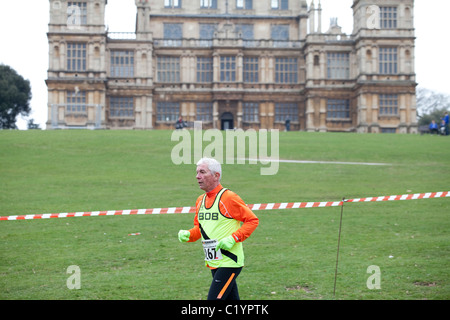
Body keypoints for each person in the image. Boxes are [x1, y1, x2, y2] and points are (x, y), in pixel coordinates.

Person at [178, 157, 259, 300]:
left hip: (230, 262)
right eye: (197, 172)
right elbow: (200, 229)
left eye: (202, 172)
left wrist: (233, 238)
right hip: (214, 262)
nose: (197, 176)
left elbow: (252, 220)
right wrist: (188, 234)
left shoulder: (229, 198)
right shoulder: (200, 200)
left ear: (216, 175)